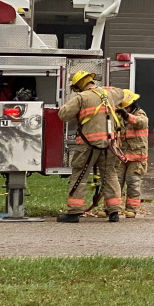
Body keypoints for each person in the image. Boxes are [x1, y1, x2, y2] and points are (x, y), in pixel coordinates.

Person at [56, 70, 126, 223]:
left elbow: (63, 114)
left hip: (88, 145)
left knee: (80, 175)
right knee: (110, 175)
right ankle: (114, 211)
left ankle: (74, 212)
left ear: (80, 85)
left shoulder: (81, 97)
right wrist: (108, 89)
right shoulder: (110, 94)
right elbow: (123, 93)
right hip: (109, 144)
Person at [116, 89, 149, 218]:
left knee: (133, 182)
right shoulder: (117, 116)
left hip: (137, 156)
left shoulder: (140, 114)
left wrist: (127, 116)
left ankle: (131, 209)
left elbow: (141, 122)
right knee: (116, 182)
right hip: (120, 155)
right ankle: (113, 209)